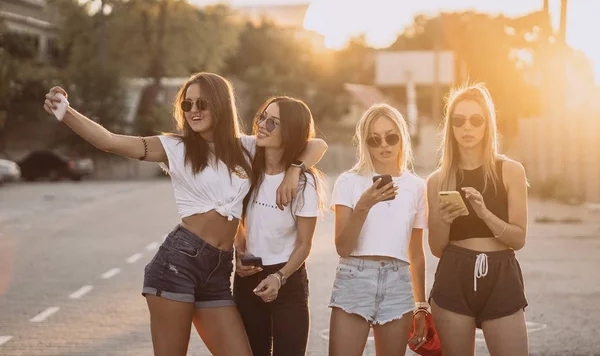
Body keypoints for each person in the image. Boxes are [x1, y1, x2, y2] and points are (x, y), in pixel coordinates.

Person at [42, 72, 328, 356]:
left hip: (218, 271)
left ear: (220, 104)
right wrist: (65, 112)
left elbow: (316, 144)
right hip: (178, 265)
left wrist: (295, 169)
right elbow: (109, 141)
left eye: (201, 103)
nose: (193, 111)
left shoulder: (247, 147)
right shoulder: (174, 148)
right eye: (187, 105)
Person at [427, 83, 529, 356]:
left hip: (500, 274)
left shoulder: (510, 171)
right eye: (459, 120)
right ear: (451, 127)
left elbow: (518, 239)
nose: (467, 127)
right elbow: (437, 249)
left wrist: (485, 214)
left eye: (476, 120)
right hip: (454, 274)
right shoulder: (437, 180)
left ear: (487, 124)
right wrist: (445, 221)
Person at [328, 103, 429, 356]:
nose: (384, 145)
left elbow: (416, 253)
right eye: (374, 139)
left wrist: (421, 305)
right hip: (355, 278)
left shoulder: (416, 187)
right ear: (365, 143)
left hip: (398, 283)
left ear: (402, 138)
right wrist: (364, 206)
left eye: (391, 137)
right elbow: (342, 247)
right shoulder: (349, 182)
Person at [233, 96, 325, 356]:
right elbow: (238, 220)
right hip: (247, 278)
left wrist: (279, 277)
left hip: (288, 280)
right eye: (263, 117)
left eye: (273, 123)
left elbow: (305, 243)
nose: (262, 125)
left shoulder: (305, 183)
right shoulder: (247, 160)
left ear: (291, 132)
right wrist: (238, 251)